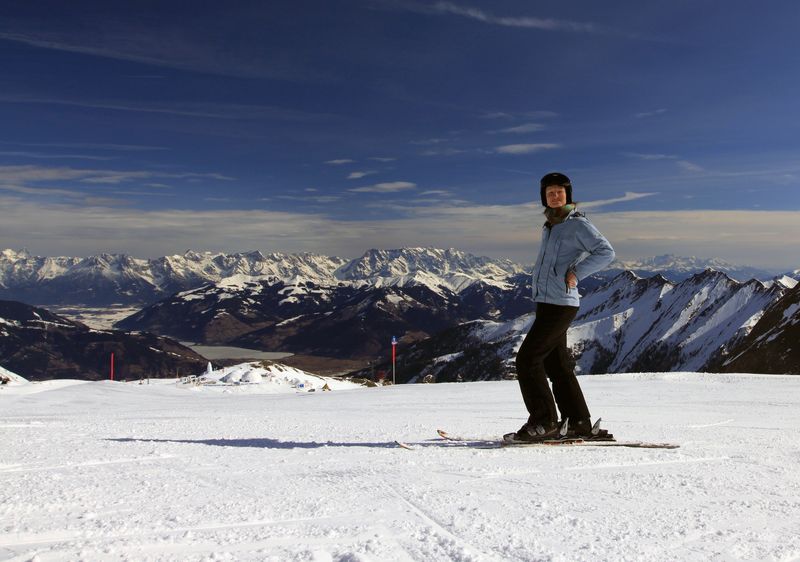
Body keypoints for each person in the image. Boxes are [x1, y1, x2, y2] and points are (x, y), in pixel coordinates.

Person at [507, 172, 616, 442]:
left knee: (527, 360)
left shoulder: (577, 224)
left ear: (568, 194)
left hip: (561, 303)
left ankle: (544, 422)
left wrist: (577, 272)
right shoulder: (551, 225)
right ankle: (578, 422)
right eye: (550, 192)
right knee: (557, 366)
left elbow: (606, 252)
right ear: (544, 196)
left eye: (560, 191)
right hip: (547, 301)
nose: (555, 196)